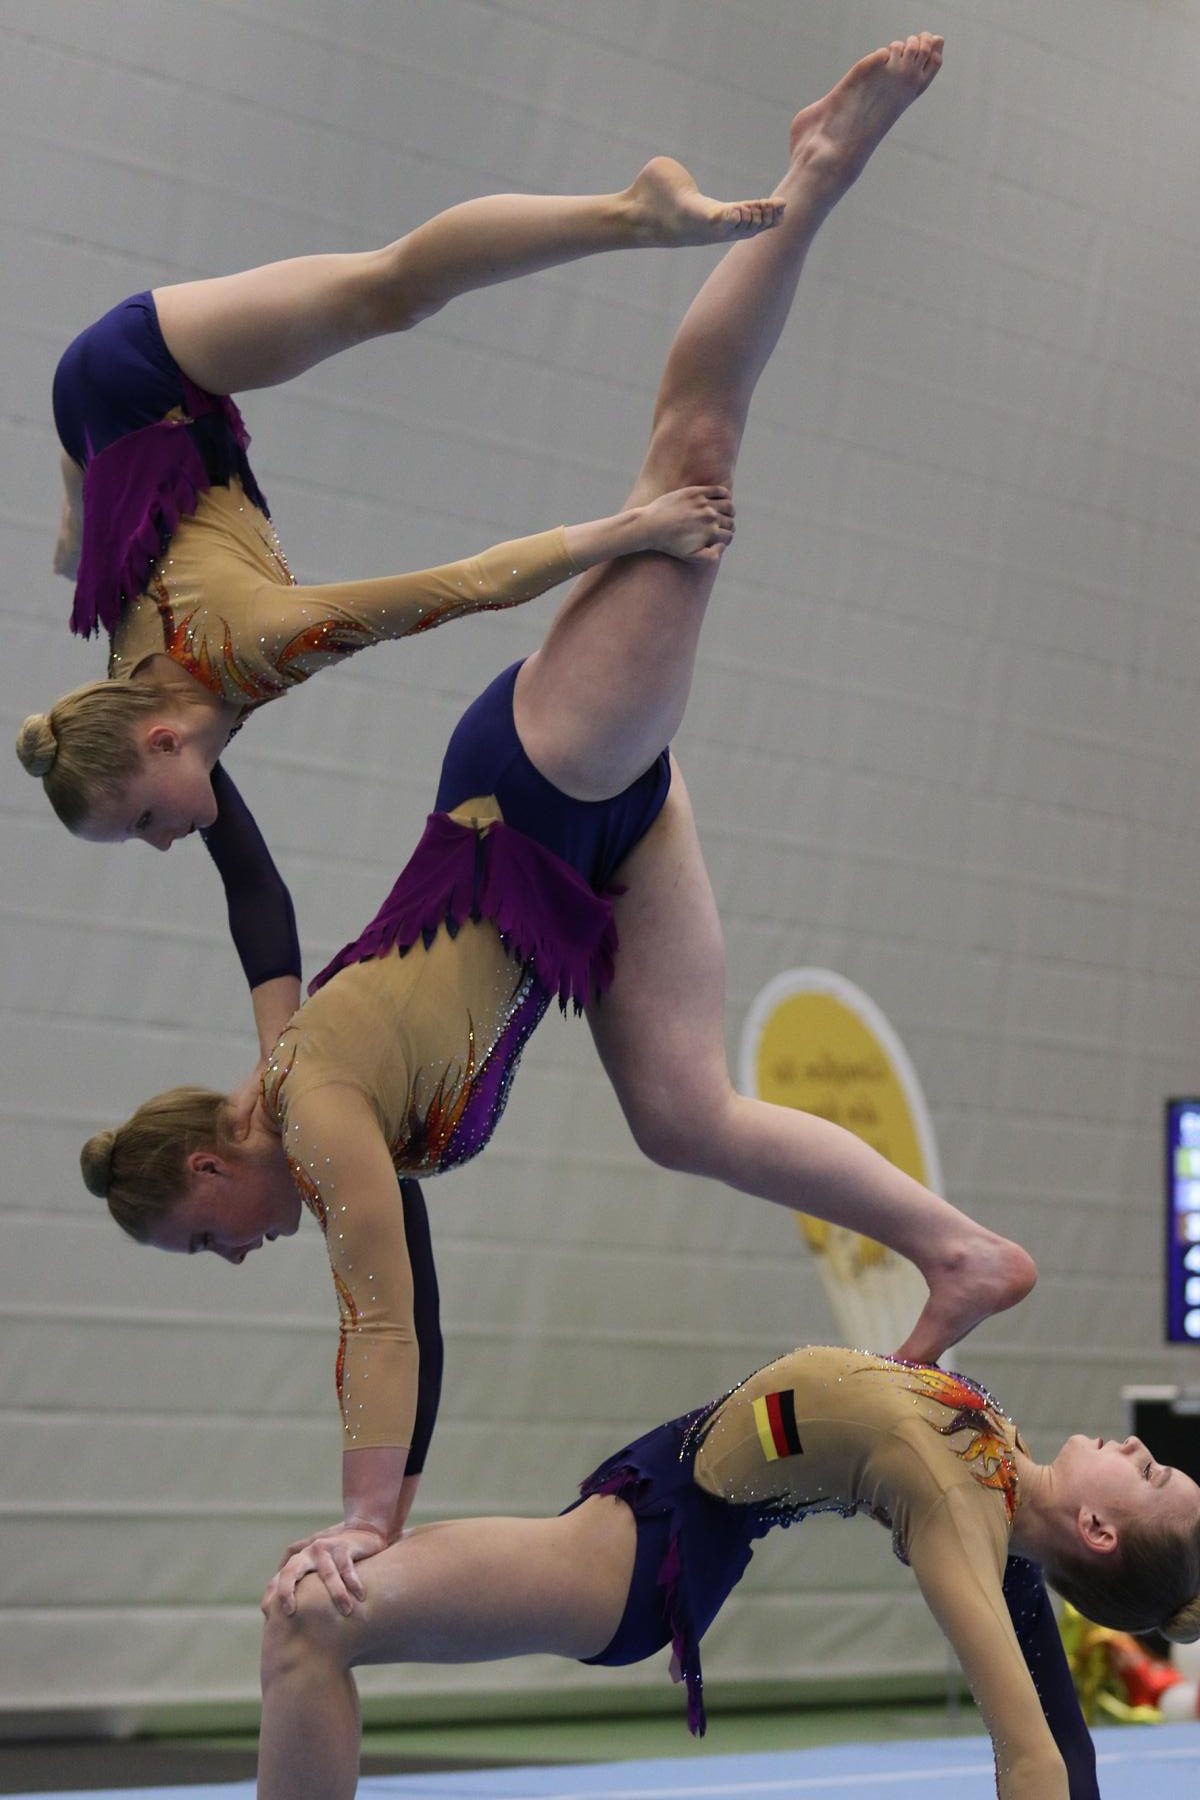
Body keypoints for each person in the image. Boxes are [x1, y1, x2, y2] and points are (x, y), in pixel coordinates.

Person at [81, 33, 1038, 1577]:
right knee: (682, 1115)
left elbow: (378, 1313)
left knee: (693, 455)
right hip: (591, 855)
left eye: (209, 1240)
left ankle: (813, 172)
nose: (238, 1254)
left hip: (533, 786)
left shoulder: (314, 1106)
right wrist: (387, 1519)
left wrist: (362, 1520)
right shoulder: (314, 1105)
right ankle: (962, 1248)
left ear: (208, 1168)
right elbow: (413, 1301)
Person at [16, 160, 781, 1084]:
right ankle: (76, 511)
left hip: (144, 369)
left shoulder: (254, 645)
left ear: (164, 740)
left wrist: (636, 530)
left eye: (142, 820)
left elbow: (462, 585)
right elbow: (252, 886)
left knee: (391, 292)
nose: (158, 841)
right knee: (84, 547)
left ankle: (635, 212)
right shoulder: (153, 724)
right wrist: (276, 1062)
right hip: (97, 431)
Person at [256, 1344, 1200, 1800]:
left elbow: (1031, 1755)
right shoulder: (1004, 1471)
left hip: (641, 1555)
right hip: (652, 1501)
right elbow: (1068, 1742)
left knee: (312, 1616)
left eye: (1149, 1473)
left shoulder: (964, 1514)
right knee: (310, 1618)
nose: (1135, 1445)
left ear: (1098, 1531)